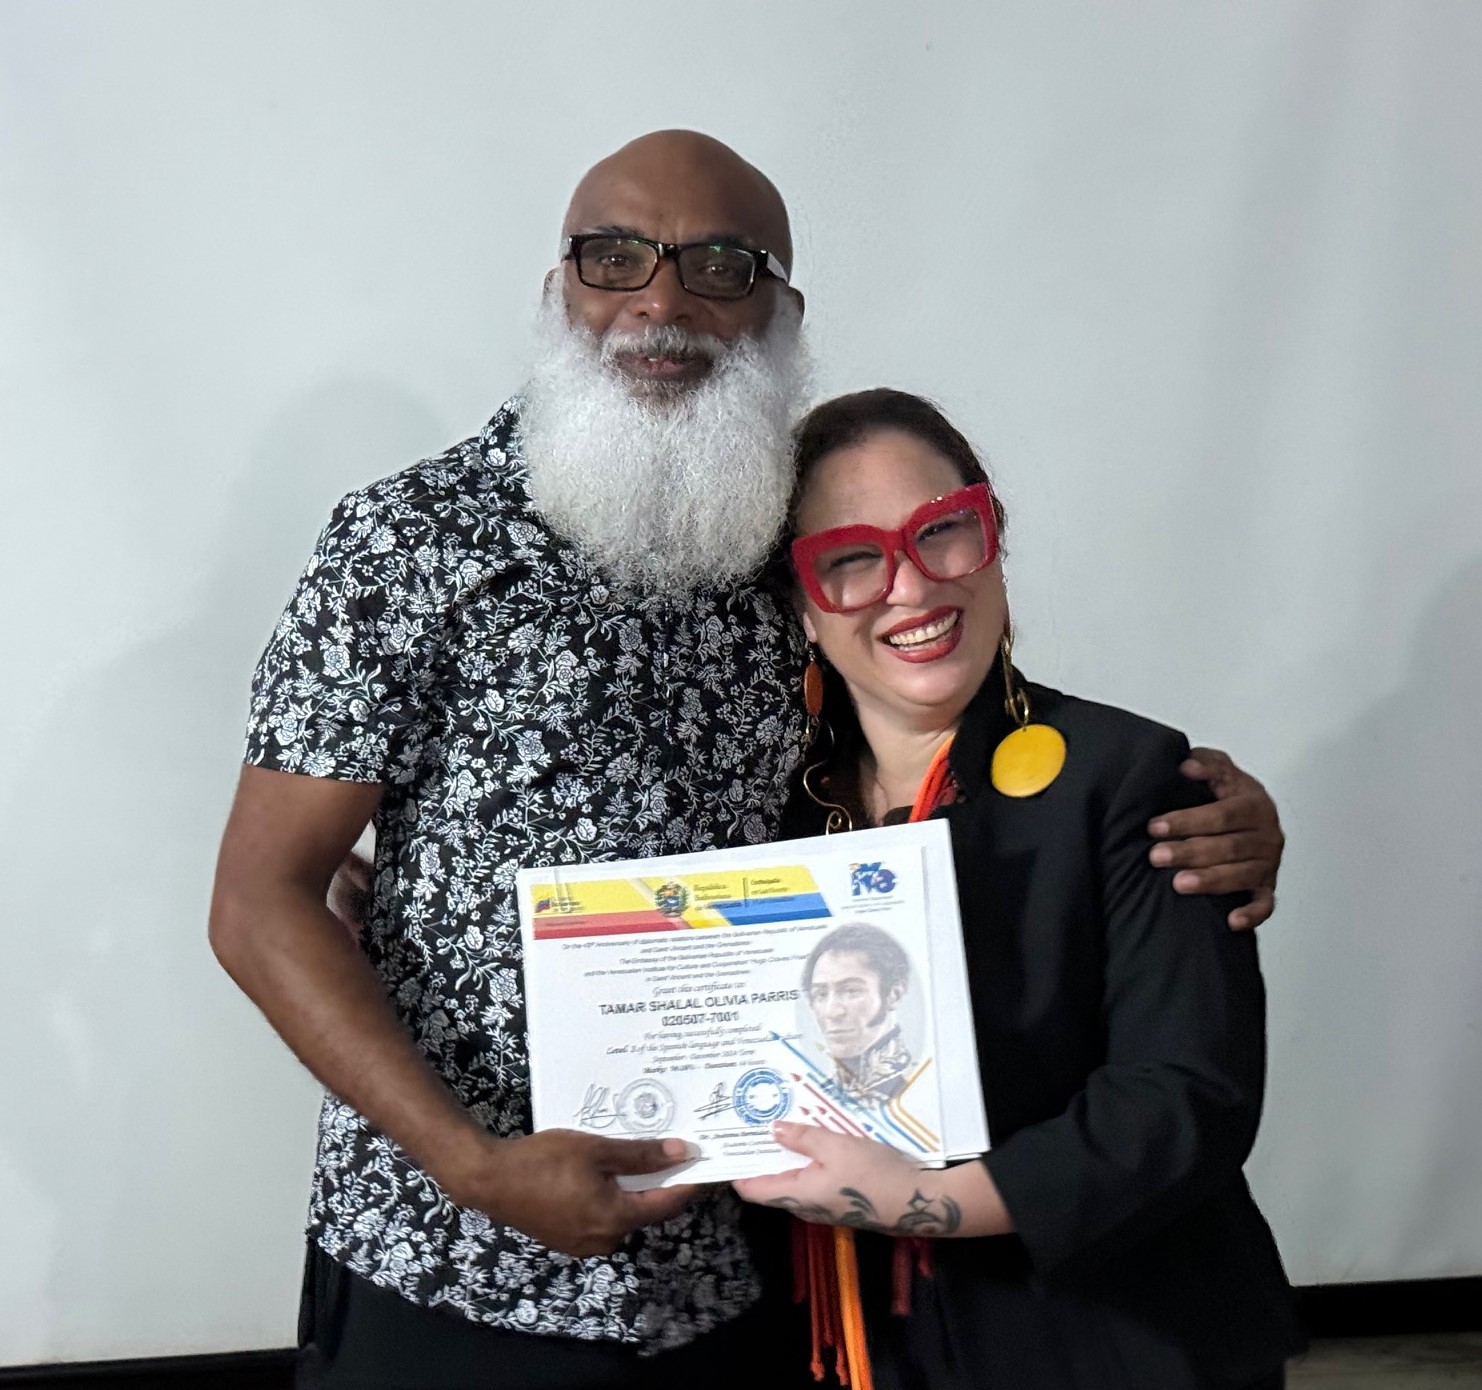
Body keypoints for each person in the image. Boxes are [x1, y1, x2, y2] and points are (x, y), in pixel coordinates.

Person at [209, 131, 1288, 1389]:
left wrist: (1215, 808)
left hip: (747, 1274)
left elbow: (934, 717)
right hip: (458, 1258)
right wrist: (473, 1164)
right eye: (615, 257)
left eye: (721, 265)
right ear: (559, 286)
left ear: (782, 311)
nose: (661, 300)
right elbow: (260, 899)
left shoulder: (779, 544)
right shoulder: (405, 546)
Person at [736, 388, 1304, 1390]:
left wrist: (926, 1199)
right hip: (859, 1349)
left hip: (1114, 1339)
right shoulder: (761, 817)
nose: (911, 585)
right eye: (852, 557)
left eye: (942, 530)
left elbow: (1184, 1098)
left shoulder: (1132, 775)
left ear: (992, 539)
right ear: (804, 606)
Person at [803, 923, 914, 1104]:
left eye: (851, 991)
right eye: (821, 994)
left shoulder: (920, 1084)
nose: (832, 1012)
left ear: (894, 994)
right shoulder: (817, 1097)